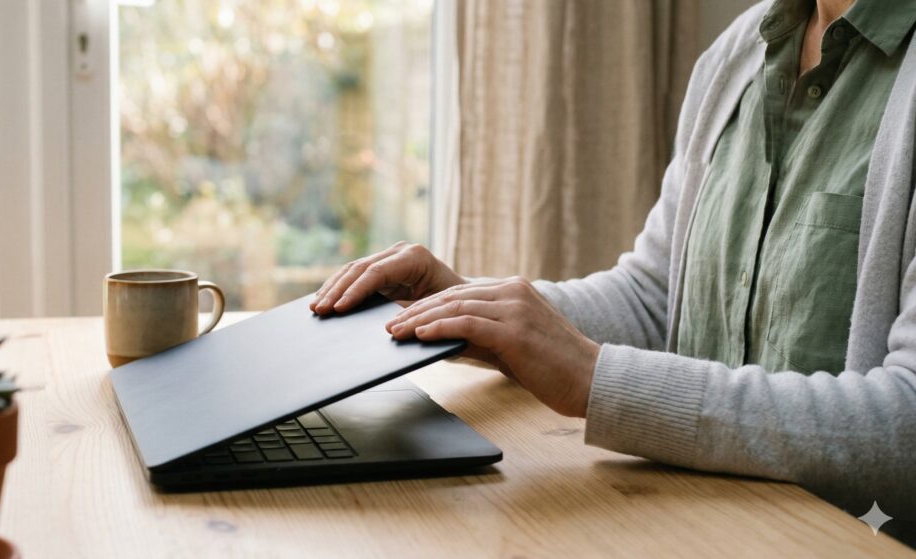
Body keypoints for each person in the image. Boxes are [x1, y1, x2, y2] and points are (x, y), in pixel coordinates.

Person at [311, 0, 916, 543]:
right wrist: (471, 308)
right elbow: (659, 300)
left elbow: (905, 426)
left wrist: (596, 380)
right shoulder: (739, 53)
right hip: (701, 525)